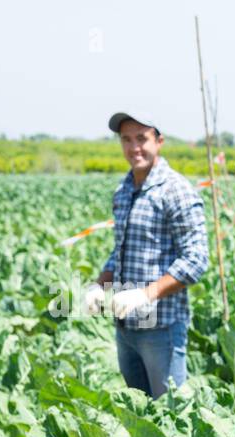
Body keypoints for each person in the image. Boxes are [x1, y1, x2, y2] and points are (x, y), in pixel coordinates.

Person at [81, 111, 209, 398]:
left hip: (160, 327)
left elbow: (196, 259)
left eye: (142, 138)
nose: (134, 147)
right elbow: (122, 250)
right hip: (125, 326)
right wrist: (100, 285)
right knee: (140, 416)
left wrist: (146, 294)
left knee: (170, 416)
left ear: (159, 141)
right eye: (126, 139)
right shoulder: (124, 190)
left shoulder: (176, 191)